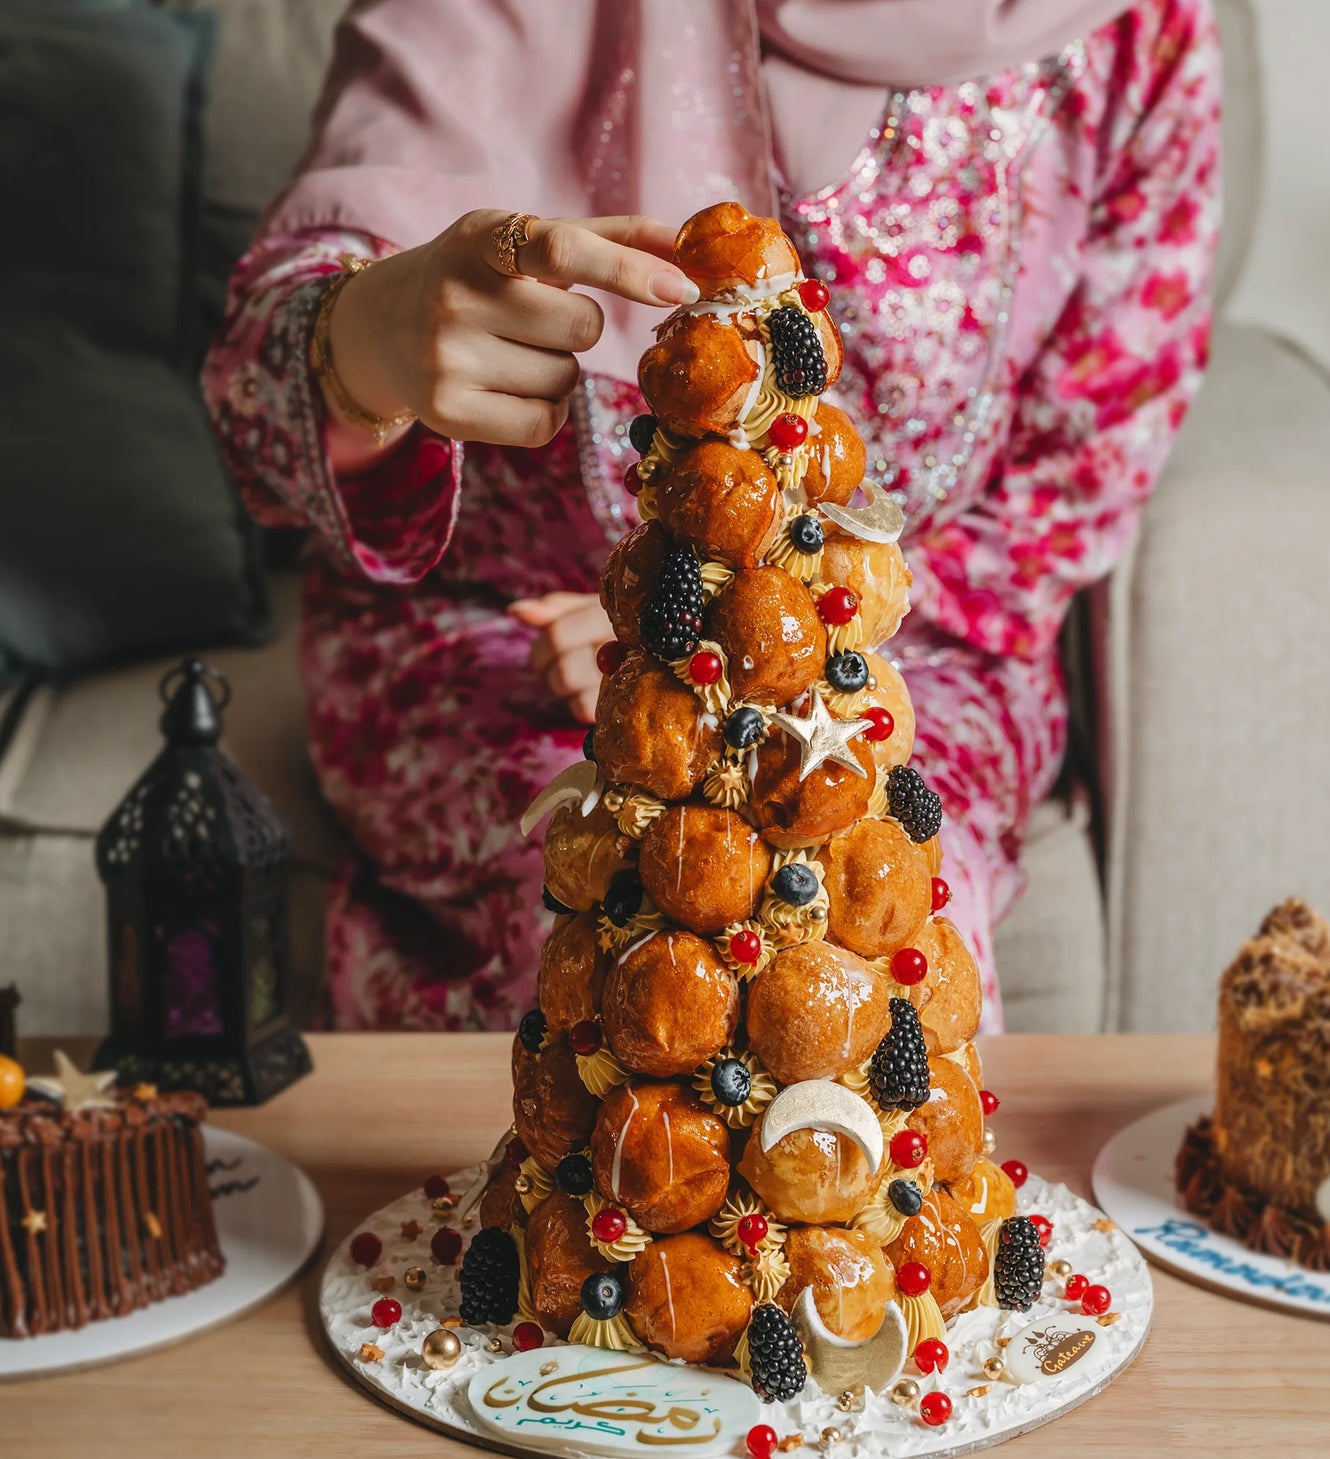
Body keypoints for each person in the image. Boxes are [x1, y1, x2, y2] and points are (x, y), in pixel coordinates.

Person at [205, 0, 1221, 1031]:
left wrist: (762, 626)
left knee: (871, 946)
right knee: (624, 927)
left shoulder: (1137, 26)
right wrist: (366, 341)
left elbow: (1079, 474)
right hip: (502, 632)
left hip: (908, 649)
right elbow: (257, 403)